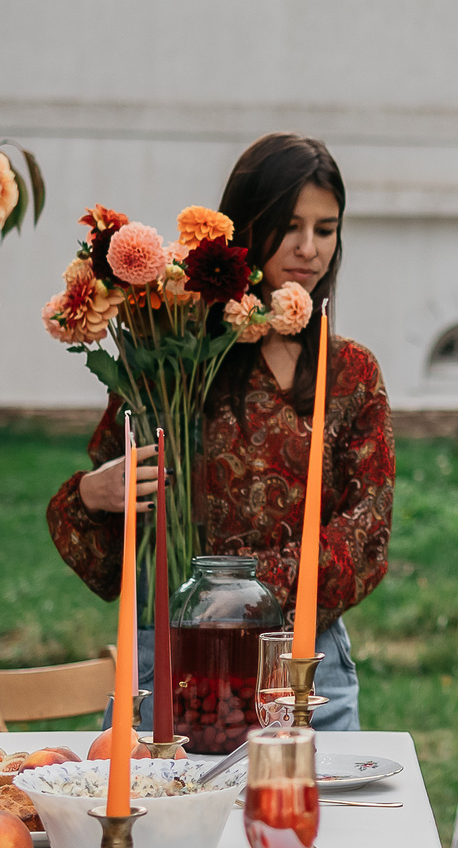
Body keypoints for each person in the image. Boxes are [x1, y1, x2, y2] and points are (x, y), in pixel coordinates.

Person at [46, 133, 392, 730]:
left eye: (326, 229)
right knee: (151, 822)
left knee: (314, 823)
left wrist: (235, 594)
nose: (310, 249)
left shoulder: (350, 373)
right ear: (247, 226)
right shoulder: (171, 354)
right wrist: (91, 496)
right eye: (290, 225)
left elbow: (366, 533)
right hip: (174, 665)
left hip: (304, 672)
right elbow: (111, 558)